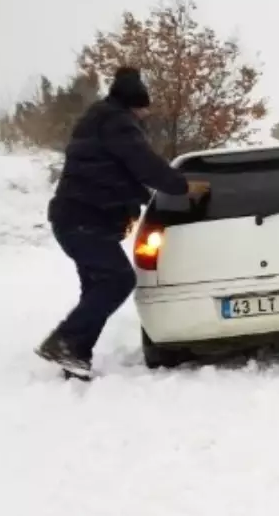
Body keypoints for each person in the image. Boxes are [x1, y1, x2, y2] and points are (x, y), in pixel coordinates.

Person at [35, 67, 209, 378]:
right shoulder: (117, 122)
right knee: (118, 280)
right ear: (135, 104)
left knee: (97, 288)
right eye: (144, 110)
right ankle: (64, 342)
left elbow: (115, 172)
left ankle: (74, 356)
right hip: (83, 220)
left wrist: (132, 202)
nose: (145, 117)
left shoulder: (98, 120)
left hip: (77, 220)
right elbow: (145, 164)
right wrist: (183, 187)